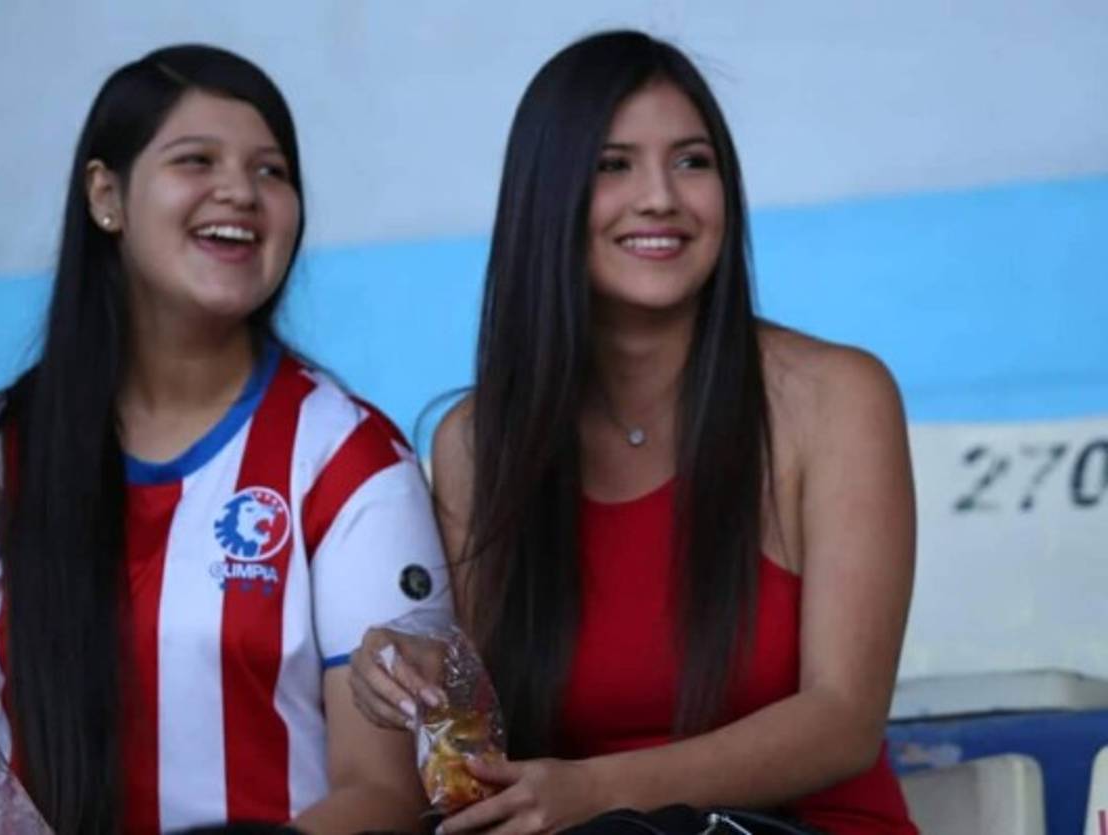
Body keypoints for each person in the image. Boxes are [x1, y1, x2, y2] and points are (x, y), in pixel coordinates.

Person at [350, 30, 918, 834]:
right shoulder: (477, 441)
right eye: (613, 165)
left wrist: (594, 792)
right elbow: (488, 724)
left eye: (692, 161)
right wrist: (420, 673)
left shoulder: (836, 397)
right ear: (547, 197)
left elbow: (843, 718)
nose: (660, 197)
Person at [0, 45, 451, 835]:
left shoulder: (349, 460)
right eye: (196, 160)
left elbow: (388, 794)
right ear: (105, 195)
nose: (240, 191)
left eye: (271, 171)